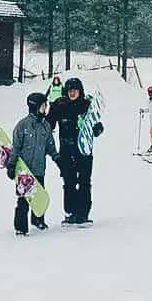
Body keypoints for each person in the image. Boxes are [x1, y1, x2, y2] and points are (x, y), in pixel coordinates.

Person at [47, 76, 104, 225]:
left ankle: (83, 214)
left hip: (84, 151)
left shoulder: (86, 105)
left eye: (75, 91)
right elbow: (49, 124)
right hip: (66, 150)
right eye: (70, 91)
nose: (72, 93)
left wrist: (97, 128)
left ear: (80, 91)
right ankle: (71, 212)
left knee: (84, 182)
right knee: (69, 182)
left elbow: (94, 124)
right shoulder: (59, 105)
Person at [8, 91, 60, 235]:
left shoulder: (46, 126)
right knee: (23, 200)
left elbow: (50, 145)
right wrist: (11, 164)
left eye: (46, 106)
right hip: (24, 171)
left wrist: (57, 158)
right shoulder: (22, 125)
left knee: (39, 196)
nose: (45, 109)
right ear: (34, 107)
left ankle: (38, 220)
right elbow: (16, 147)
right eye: (43, 106)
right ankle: (20, 227)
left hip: (39, 169)